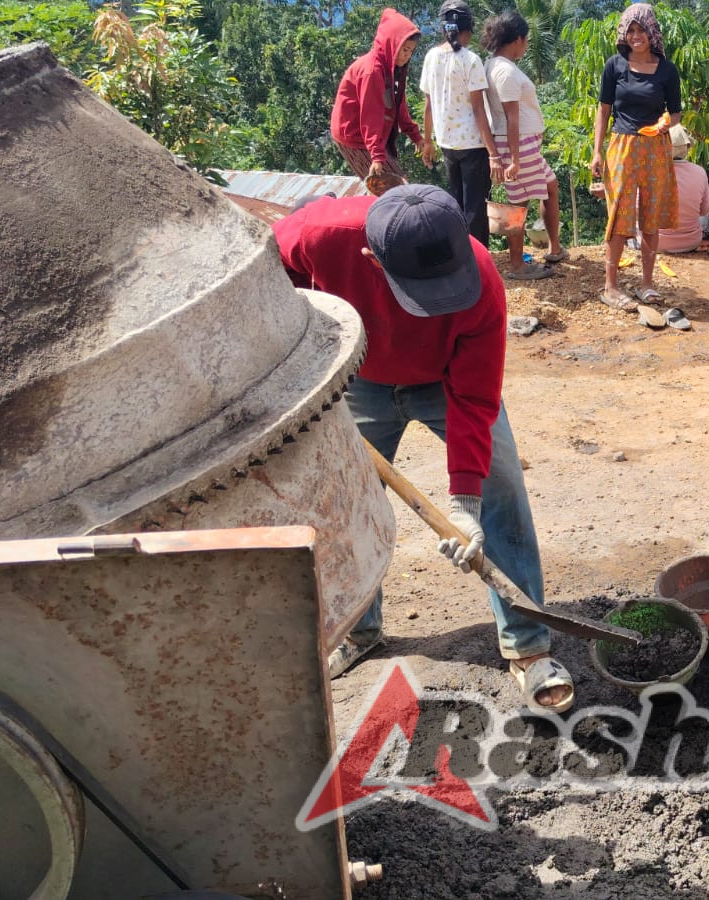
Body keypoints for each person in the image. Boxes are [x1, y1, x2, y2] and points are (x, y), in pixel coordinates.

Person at [273, 186, 575, 713]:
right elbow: (272, 275)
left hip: (444, 380)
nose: (438, 304)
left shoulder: (481, 279)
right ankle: (359, 630)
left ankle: (527, 645)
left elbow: (475, 397)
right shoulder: (321, 235)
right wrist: (303, 343)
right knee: (340, 498)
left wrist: (464, 503)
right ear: (372, 259)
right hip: (356, 374)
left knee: (500, 484)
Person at [591, 3, 682, 310]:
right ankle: (611, 286)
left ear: (651, 32)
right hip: (622, 146)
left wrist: (664, 123)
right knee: (619, 214)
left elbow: (676, 113)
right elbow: (603, 110)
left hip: (656, 147)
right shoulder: (614, 65)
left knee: (650, 217)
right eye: (630, 30)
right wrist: (596, 151)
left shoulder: (667, 70)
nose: (635, 36)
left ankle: (646, 284)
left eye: (640, 29)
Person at [483, 9, 565, 279]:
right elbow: (512, 118)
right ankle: (517, 265)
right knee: (519, 203)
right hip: (518, 144)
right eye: (526, 40)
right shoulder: (505, 71)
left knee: (550, 187)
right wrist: (515, 159)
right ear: (517, 39)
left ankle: (554, 248)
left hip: (521, 143)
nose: (527, 46)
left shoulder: (494, 64)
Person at [419, 0, 497, 246]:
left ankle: (460, 257)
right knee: (476, 208)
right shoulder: (470, 60)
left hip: (447, 144)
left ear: (443, 28)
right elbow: (478, 110)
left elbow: (429, 105)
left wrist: (427, 141)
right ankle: (479, 263)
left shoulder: (431, 57)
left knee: (457, 204)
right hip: (473, 145)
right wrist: (493, 153)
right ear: (469, 29)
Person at [332, 8, 434, 195]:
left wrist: (416, 136)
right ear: (391, 45)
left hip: (372, 136)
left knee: (398, 186)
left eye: (411, 51)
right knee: (392, 189)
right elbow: (371, 117)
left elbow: (398, 106)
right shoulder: (372, 71)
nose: (407, 56)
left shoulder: (392, 69)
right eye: (404, 50)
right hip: (354, 136)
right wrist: (377, 156)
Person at [656, 124, 709, 254]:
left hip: (654, 242)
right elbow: (704, 211)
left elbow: (637, 210)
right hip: (691, 242)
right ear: (687, 148)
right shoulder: (700, 172)